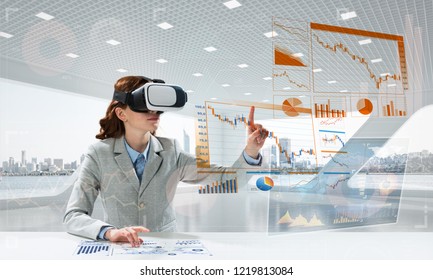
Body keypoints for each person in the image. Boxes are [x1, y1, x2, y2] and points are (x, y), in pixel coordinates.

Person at [63, 75, 269, 247]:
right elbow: (74, 215)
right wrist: (109, 232)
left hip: (167, 250)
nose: (153, 113)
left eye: (157, 107)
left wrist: (250, 152)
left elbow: (229, 180)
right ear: (121, 113)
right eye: (144, 107)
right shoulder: (99, 154)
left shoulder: (171, 151)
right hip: (121, 250)